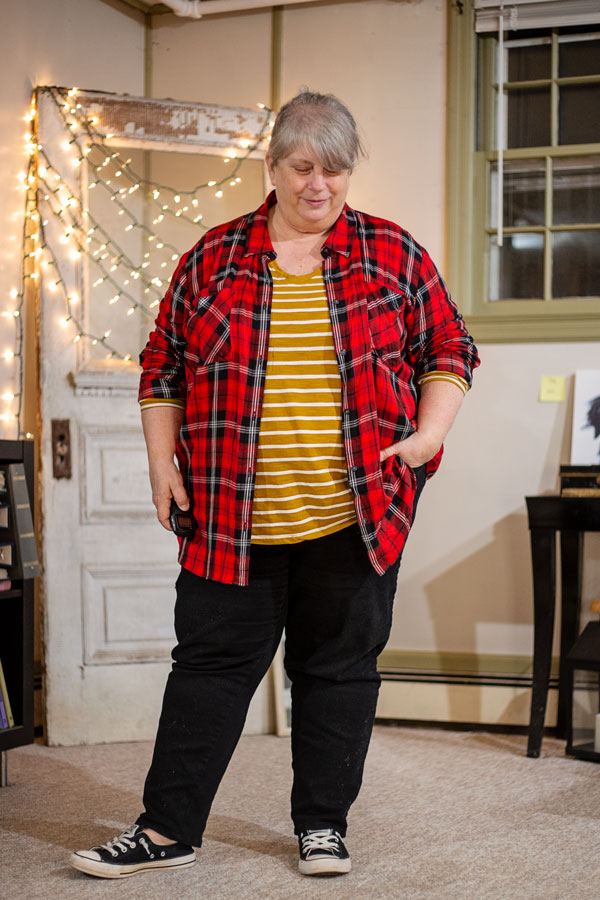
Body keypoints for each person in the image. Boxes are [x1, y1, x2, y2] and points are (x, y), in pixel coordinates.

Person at [70, 90, 479, 880]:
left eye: (335, 170)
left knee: (338, 673)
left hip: (357, 514)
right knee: (209, 670)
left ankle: (323, 827)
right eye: (302, 167)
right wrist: (161, 462)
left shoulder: (394, 254)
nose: (318, 185)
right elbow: (163, 363)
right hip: (232, 518)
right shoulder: (214, 257)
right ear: (273, 166)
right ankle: (166, 830)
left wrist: (429, 436)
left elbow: (449, 347)